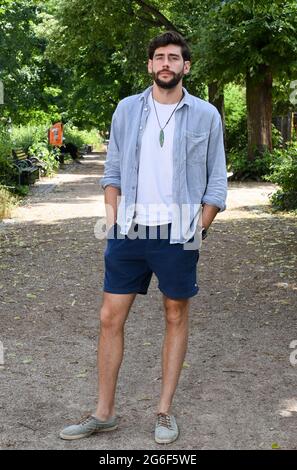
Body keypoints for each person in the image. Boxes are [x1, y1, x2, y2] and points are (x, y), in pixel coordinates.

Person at [60, 31, 227, 444]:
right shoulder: (126, 110)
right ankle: (104, 413)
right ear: (150, 65)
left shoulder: (206, 115)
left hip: (180, 233)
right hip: (129, 231)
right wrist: (113, 218)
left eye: (174, 57)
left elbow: (217, 182)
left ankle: (165, 412)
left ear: (186, 66)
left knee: (175, 315)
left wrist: (199, 227)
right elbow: (112, 170)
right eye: (159, 57)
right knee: (109, 317)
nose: (166, 63)